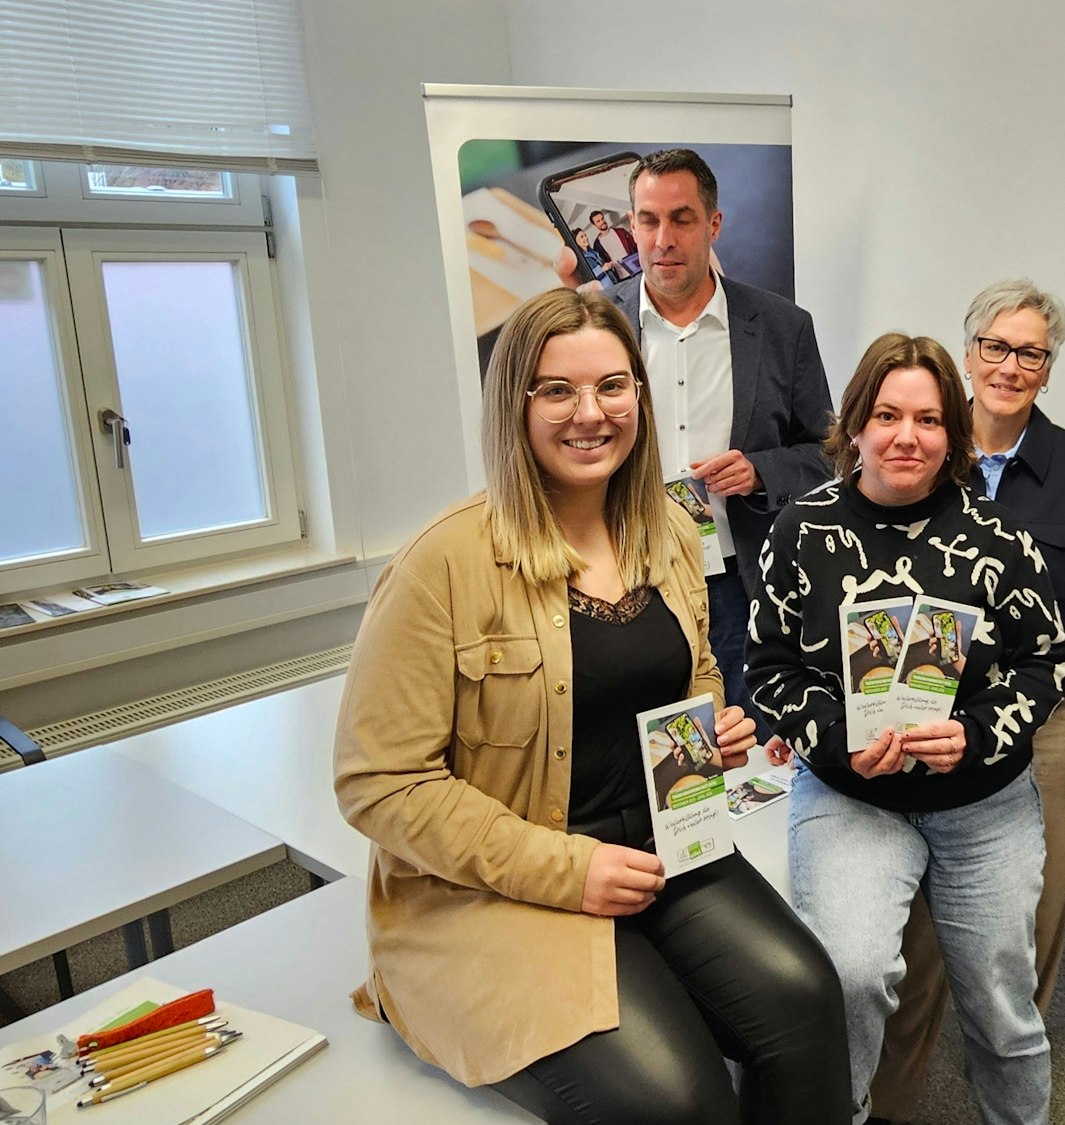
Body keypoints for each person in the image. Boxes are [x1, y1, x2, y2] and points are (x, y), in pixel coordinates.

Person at [333, 288, 848, 1124]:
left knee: (808, 1000)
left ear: (639, 396)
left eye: (613, 386)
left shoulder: (670, 531)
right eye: (557, 390)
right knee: (678, 1099)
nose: (591, 413)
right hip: (502, 889)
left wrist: (706, 725)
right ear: (515, 404)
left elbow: (698, 670)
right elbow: (379, 783)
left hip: (660, 847)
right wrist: (570, 870)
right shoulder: (444, 564)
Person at [747, 333, 1065, 1125]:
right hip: (852, 792)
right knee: (851, 976)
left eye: (929, 418)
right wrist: (834, 737)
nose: (907, 435)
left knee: (1001, 1001)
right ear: (854, 424)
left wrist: (976, 731)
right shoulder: (800, 531)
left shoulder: (999, 538)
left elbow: (1051, 663)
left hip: (982, 799)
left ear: (952, 434)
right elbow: (768, 666)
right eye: (887, 414)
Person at [867, 281, 1065, 1125]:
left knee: (1031, 915)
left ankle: (1010, 1075)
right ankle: (893, 1097)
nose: (1010, 366)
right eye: (995, 346)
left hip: (1047, 726)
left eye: (1031, 353)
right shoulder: (917, 458)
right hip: (930, 717)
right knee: (914, 932)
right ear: (967, 351)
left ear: (1048, 370)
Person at [594, 148, 836, 722]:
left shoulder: (782, 327)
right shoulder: (596, 324)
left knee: (742, 742)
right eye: (648, 221)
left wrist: (760, 471)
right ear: (631, 226)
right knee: (649, 741)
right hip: (625, 571)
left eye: (681, 218)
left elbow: (829, 452)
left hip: (735, 578)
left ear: (713, 224)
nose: (663, 239)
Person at [588, 210, 637, 280]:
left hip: (635, 269)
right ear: (594, 225)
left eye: (602, 218)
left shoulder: (621, 232)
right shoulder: (597, 245)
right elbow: (603, 263)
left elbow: (635, 245)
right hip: (621, 277)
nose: (602, 222)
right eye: (598, 221)